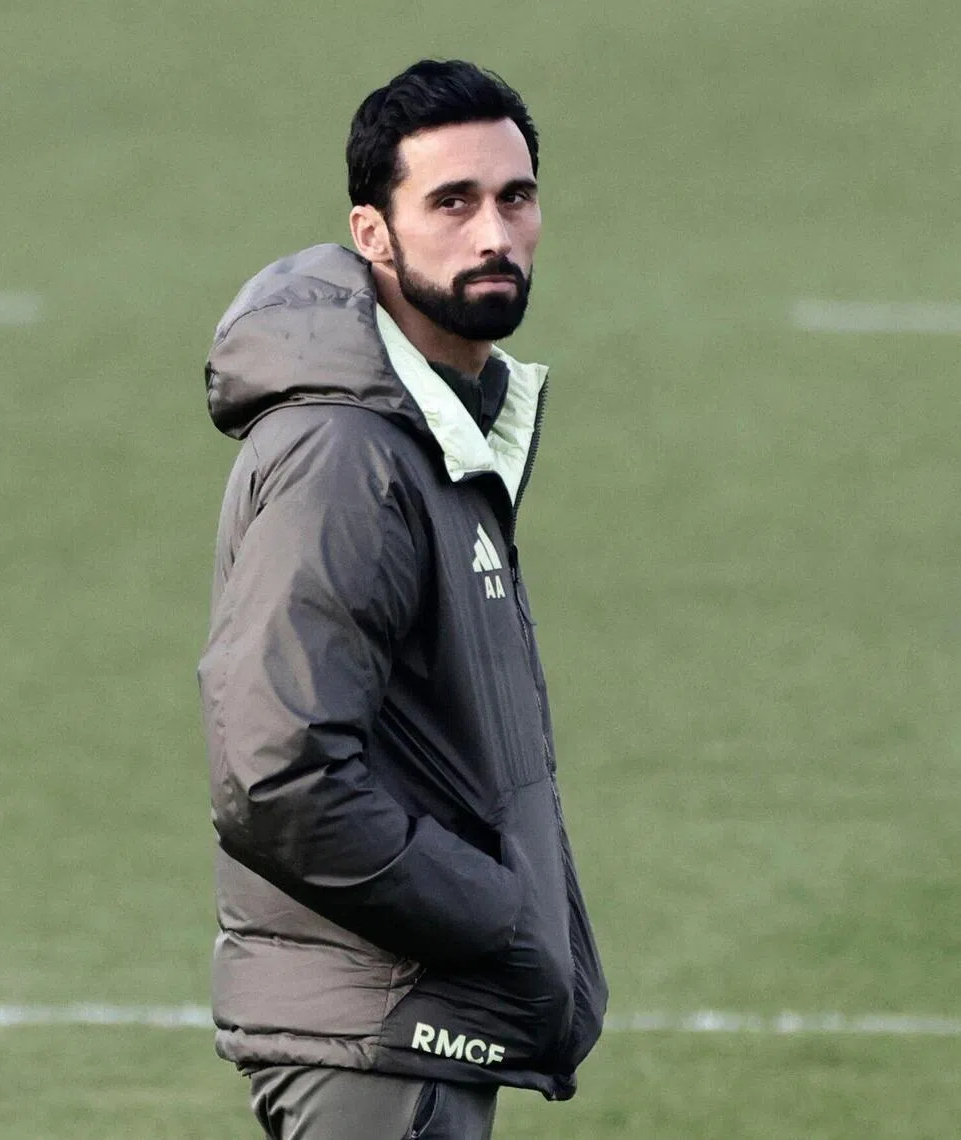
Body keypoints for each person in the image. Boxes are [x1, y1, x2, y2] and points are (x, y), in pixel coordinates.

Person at [199, 59, 607, 1140]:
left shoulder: (437, 436)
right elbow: (279, 771)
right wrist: (491, 911)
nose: (493, 234)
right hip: (377, 1034)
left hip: (403, 1028)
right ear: (372, 233)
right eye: (451, 202)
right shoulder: (346, 455)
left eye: (515, 198)